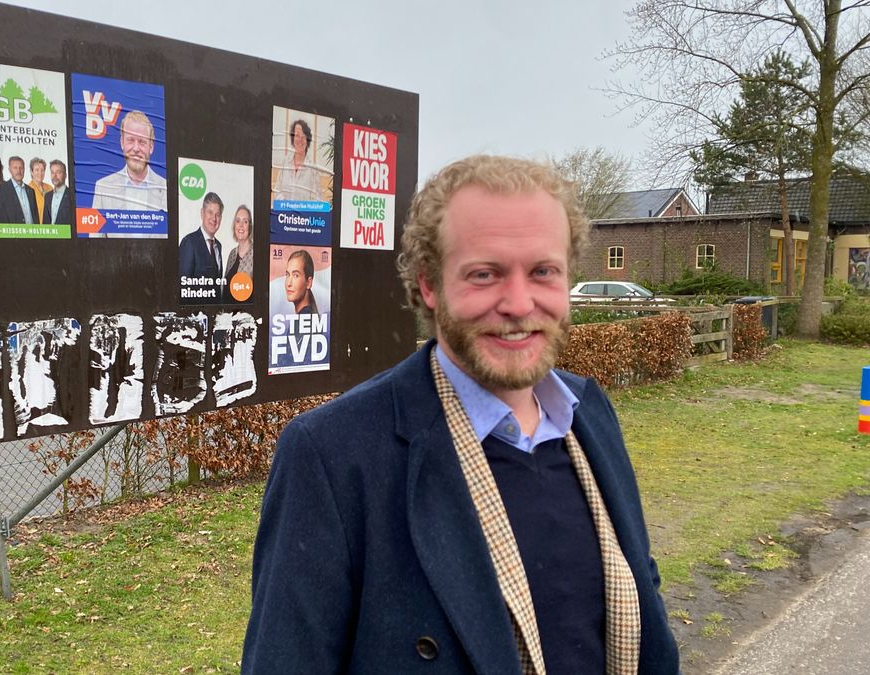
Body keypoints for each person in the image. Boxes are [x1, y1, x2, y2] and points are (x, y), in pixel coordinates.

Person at [244, 155, 679, 673]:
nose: (519, 304)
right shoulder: (334, 455)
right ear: (429, 284)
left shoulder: (590, 412)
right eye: (484, 274)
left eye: (543, 271)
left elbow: (639, 586)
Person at [91, 110, 167, 211]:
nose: (136, 148)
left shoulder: (166, 189)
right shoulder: (103, 188)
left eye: (142, 142)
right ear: (122, 143)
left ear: (151, 146)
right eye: (130, 140)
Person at [271, 118, 323, 204]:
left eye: (303, 136)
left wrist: (303, 208)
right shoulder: (285, 162)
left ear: (307, 140)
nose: (300, 139)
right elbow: (277, 191)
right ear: (293, 138)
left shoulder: (313, 168)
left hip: (304, 213)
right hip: (284, 212)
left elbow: (318, 199)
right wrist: (286, 206)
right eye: (297, 135)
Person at [178, 192, 224, 279]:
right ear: (202, 213)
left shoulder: (218, 246)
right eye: (210, 212)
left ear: (221, 218)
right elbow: (183, 283)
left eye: (217, 215)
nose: (214, 219)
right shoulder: (189, 242)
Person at [0, 156, 40, 225]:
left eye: (21, 168)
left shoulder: (31, 191)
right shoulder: (1, 190)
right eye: (15, 168)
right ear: (10, 170)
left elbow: (36, 218)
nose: (18, 171)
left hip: (32, 231)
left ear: (24, 169)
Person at [224, 205, 255, 282]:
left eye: (245, 222)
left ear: (250, 226)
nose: (241, 225)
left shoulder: (256, 254)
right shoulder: (232, 254)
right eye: (238, 221)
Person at [283, 249, 318, 315]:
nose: (289, 283)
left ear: (309, 283)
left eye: (296, 275)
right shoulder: (306, 315)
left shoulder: (305, 317)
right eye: (287, 275)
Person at [42, 159, 73, 226]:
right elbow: (45, 223)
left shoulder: (72, 195)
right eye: (52, 172)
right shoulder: (47, 196)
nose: (54, 176)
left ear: (65, 175)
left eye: (58, 172)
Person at [28, 157, 54, 224]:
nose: (40, 173)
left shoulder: (50, 188)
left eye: (42, 170)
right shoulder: (28, 189)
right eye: (37, 170)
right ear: (31, 172)